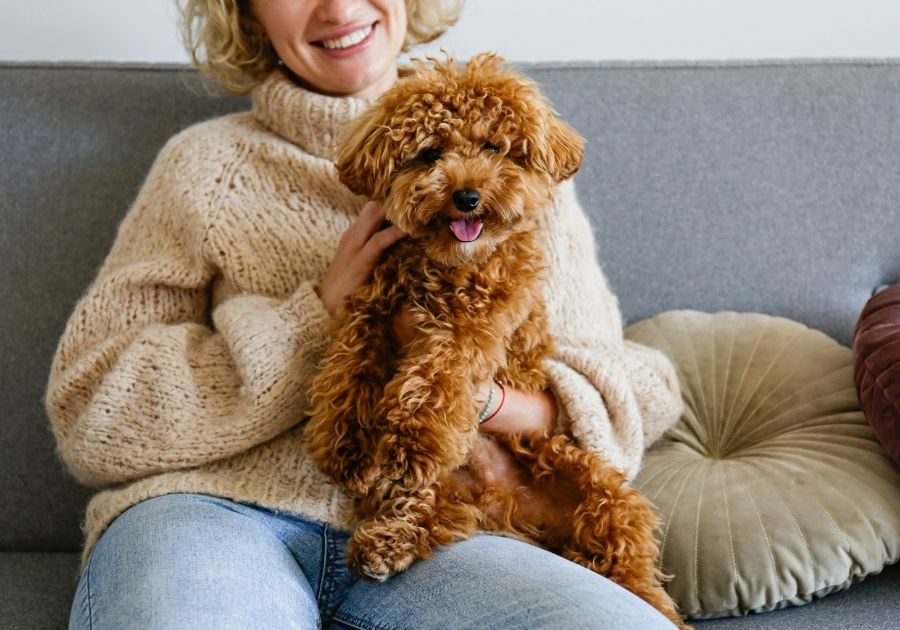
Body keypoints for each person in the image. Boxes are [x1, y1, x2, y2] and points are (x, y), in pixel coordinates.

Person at [46, 1, 684, 628]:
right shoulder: (203, 168)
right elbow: (91, 410)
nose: (339, 7)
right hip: (215, 513)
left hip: (454, 530)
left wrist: (480, 399)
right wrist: (318, 313)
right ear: (245, 13)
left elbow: (634, 386)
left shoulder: (523, 160)